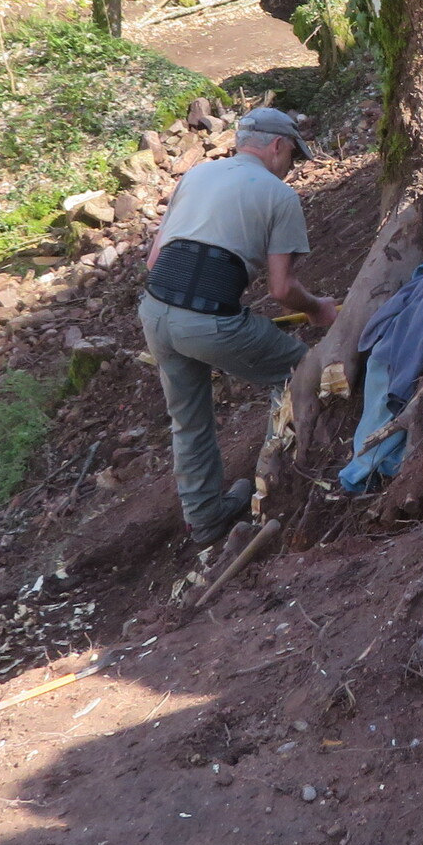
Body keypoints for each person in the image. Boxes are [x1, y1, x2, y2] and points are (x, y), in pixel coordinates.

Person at [138, 104, 340, 553]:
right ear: (277, 145)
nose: (291, 167)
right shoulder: (279, 196)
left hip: (155, 312)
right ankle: (280, 483)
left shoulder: (196, 176)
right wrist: (317, 310)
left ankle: (205, 521)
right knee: (299, 372)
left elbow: (155, 261)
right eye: (293, 156)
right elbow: (282, 289)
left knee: (188, 421)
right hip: (207, 319)